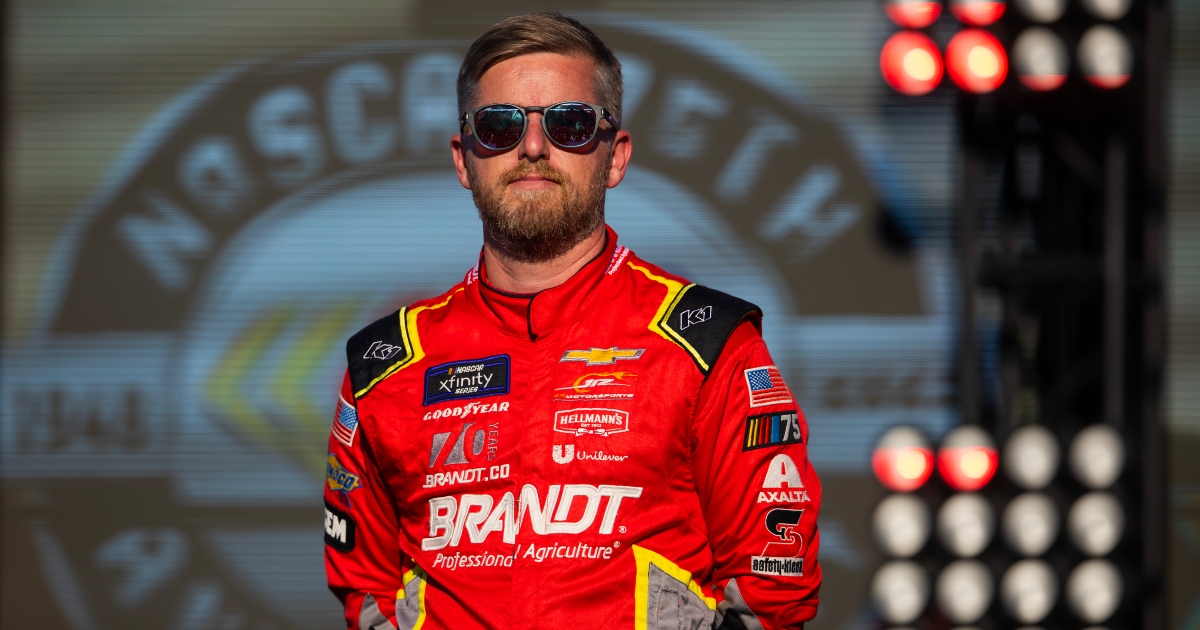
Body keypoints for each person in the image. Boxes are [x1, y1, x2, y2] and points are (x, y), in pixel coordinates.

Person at [323, 12, 821, 630]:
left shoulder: (708, 344)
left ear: (615, 156)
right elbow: (367, 597)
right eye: (499, 126)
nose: (533, 147)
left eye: (570, 124)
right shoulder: (384, 366)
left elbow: (773, 599)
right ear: (463, 160)